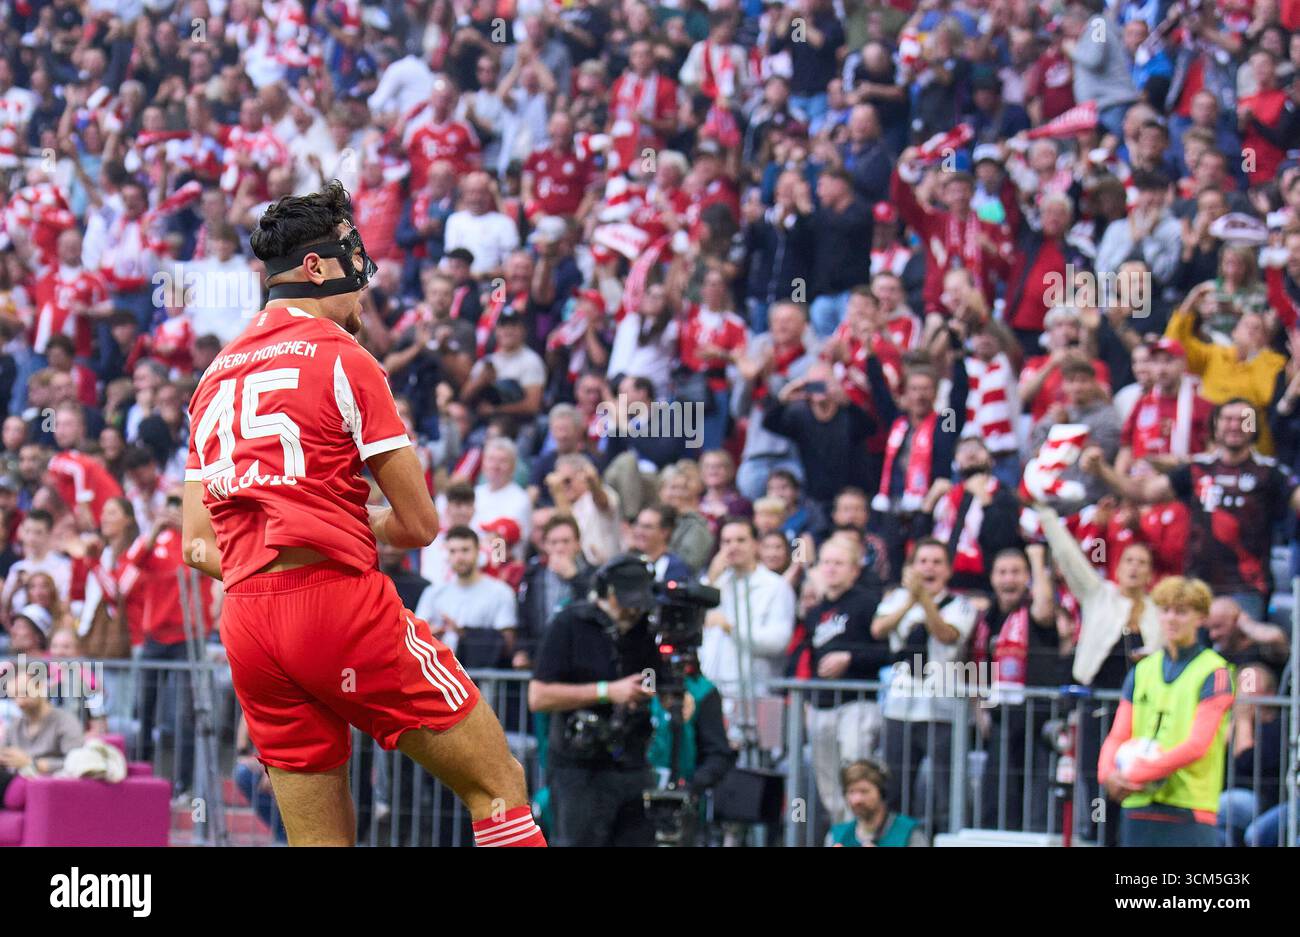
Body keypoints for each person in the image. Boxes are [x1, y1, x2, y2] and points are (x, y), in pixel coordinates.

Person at [181, 184, 540, 847]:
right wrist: (324, 519)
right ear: (315, 267)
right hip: (335, 605)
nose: (363, 288)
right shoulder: (345, 357)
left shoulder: (211, 377)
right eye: (354, 263)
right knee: (498, 786)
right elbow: (422, 524)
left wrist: (278, 523)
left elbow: (197, 543)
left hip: (249, 624)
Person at [1083, 398, 1300, 621]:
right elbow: (1143, 492)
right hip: (1197, 586)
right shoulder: (1197, 468)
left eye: (1243, 420)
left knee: (1239, 656)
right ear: (1215, 425)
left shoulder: (1270, 472)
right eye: (1227, 419)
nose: (1234, 425)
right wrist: (1101, 470)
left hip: (1247, 589)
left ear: (1253, 427)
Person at [528, 553, 666, 847]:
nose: (634, 610)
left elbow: (657, 678)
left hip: (633, 764)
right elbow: (539, 696)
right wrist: (607, 691)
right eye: (628, 601)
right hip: (578, 768)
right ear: (609, 592)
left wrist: (665, 694)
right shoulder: (569, 624)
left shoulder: (644, 632)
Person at [1098, 577, 1234, 847]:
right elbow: (1118, 734)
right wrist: (1107, 775)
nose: (1172, 618)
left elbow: (1198, 745)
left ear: (1201, 618)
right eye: (1165, 610)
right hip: (1138, 804)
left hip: (1189, 806)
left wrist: (1135, 774)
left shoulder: (1215, 672)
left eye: (1182, 612)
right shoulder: (1142, 670)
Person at [871, 539, 977, 835]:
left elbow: (946, 635)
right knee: (895, 789)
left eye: (936, 562)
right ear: (912, 568)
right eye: (923, 561)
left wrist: (926, 602)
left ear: (948, 570)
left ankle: (949, 840)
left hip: (942, 711)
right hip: (899, 708)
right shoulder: (895, 600)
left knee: (947, 792)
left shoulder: (960, 605)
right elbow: (879, 629)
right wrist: (910, 600)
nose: (928, 567)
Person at [799, 536, 893, 825]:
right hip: (821, 706)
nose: (830, 569)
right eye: (826, 562)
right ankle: (841, 834)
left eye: (838, 563)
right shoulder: (815, 612)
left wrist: (849, 658)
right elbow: (808, 659)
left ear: (854, 569)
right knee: (827, 781)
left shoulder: (867, 603)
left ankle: (863, 831)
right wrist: (805, 703)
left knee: (856, 770)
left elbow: (888, 653)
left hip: (857, 704)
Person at [699, 517, 796, 754]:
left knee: (761, 772)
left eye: (741, 540)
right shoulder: (715, 584)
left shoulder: (775, 586)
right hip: (716, 691)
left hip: (758, 694)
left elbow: (778, 642)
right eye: (726, 541)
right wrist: (710, 582)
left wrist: (731, 628)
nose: (733, 547)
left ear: (756, 545)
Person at [414, 526, 518, 670]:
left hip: (483, 676)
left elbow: (507, 642)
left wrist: (463, 633)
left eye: (465, 550)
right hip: (441, 673)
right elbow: (416, 633)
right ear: (446, 554)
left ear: (478, 551)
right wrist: (430, 633)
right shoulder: (433, 592)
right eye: (453, 551)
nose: (459, 557)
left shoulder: (500, 592)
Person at [825, 759, 927, 847]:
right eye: (851, 792)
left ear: (881, 792)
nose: (857, 800)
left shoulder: (908, 832)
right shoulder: (837, 835)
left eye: (864, 791)